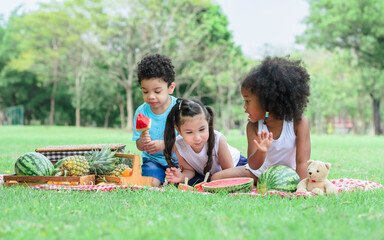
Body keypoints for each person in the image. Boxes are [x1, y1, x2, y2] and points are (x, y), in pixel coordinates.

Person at [211, 56, 311, 182]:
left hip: (289, 174)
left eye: (248, 101)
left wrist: (300, 188)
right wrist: (261, 151)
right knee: (216, 178)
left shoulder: (299, 122)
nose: (244, 107)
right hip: (259, 174)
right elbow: (253, 165)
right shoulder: (253, 126)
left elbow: (302, 162)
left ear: (267, 101)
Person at [163, 98, 247, 185]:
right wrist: (181, 176)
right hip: (208, 174)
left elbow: (228, 172)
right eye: (189, 132)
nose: (197, 138)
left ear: (208, 123)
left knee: (212, 180)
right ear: (179, 130)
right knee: (184, 183)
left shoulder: (218, 139)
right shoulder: (178, 144)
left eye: (202, 129)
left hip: (235, 167)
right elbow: (189, 170)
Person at [132, 53, 178, 187]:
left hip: (179, 161)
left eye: (157, 91)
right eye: (145, 92)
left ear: (171, 88)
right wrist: (142, 140)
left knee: (178, 185)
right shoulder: (141, 111)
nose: (151, 96)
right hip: (153, 161)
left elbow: (188, 141)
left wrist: (165, 144)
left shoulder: (180, 109)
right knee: (151, 184)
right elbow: (139, 146)